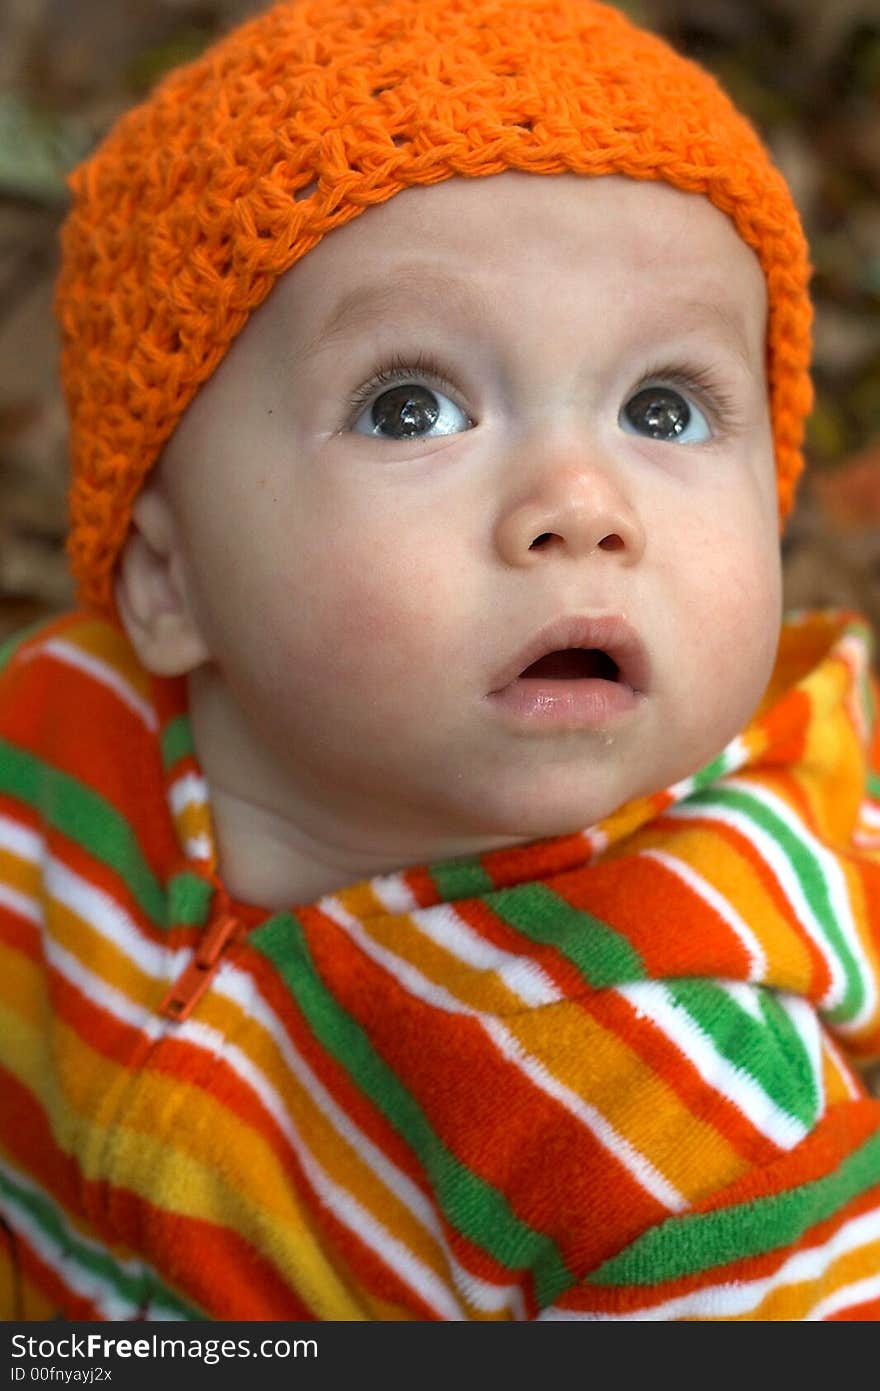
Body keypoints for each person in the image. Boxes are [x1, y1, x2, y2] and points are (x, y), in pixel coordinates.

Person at [1, 0, 879, 1323]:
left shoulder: (687, 1120)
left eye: (666, 407)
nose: (583, 502)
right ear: (170, 576)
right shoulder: (54, 741)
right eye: (412, 406)